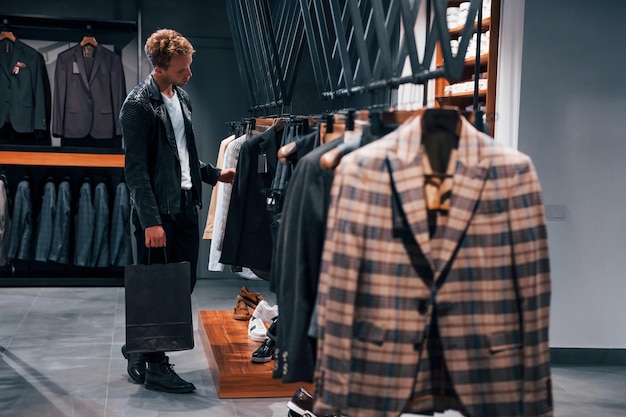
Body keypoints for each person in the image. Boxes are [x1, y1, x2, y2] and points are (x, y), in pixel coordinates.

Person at [119, 28, 236, 394]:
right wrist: (151, 221)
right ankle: (156, 365)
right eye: (182, 69)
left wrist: (215, 174)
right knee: (160, 289)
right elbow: (136, 170)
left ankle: (141, 349)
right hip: (159, 212)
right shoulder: (138, 106)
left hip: (185, 205)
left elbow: (181, 155)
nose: (189, 74)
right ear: (161, 68)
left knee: (182, 284)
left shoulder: (181, 97)